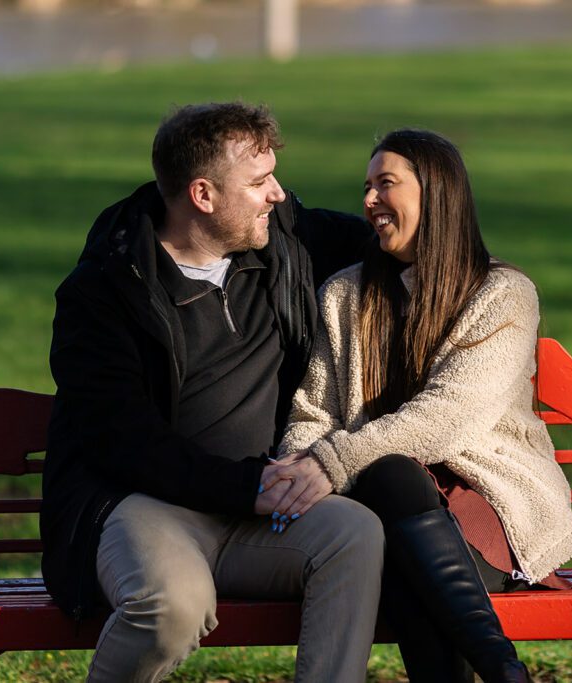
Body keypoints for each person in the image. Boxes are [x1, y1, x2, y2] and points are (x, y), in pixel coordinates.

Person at [39, 102, 384, 683]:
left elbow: (406, 244)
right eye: (258, 182)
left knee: (353, 533)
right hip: (145, 506)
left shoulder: (288, 242)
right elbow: (123, 442)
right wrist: (248, 487)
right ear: (202, 195)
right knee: (173, 606)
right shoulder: (104, 292)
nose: (277, 193)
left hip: (263, 510)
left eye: (274, 174)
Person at [273, 129, 572, 682]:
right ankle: (505, 672)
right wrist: (299, 474)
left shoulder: (501, 293)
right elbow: (313, 413)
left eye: (385, 184)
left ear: (435, 194)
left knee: (396, 531)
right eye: (366, 186)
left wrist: (333, 462)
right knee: (392, 496)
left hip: (485, 504)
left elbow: (448, 417)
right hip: (381, 503)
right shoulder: (345, 295)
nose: (369, 201)